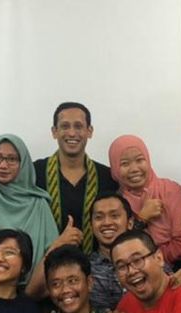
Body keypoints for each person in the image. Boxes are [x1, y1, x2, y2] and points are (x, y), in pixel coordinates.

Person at [0, 134, 59, 292]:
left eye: (12, 159)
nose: (3, 165)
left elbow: (52, 253)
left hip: (33, 292)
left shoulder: (38, 204)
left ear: (23, 163)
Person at [33, 102, 119, 253]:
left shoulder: (108, 177)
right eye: (65, 126)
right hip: (46, 265)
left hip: (99, 268)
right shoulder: (34, 174)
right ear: (54, 131)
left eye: (78, 126)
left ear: (89, 131)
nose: (72, 133)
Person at [108, 134, 181, 264]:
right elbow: (118, 246)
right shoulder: (115, 202)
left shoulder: (170, 190)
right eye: (125, 164)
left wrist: (150, 262)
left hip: (175, 271)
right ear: (114, 169)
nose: (134, 169)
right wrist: (142, 218)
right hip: (130, 272)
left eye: (140, 160)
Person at [87, 193, 137, 310]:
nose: (107, 223)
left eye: (114, 216)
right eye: (99, 217)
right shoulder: (85, 268)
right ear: (91, 225)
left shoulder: (148, 260)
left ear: (130, 223)